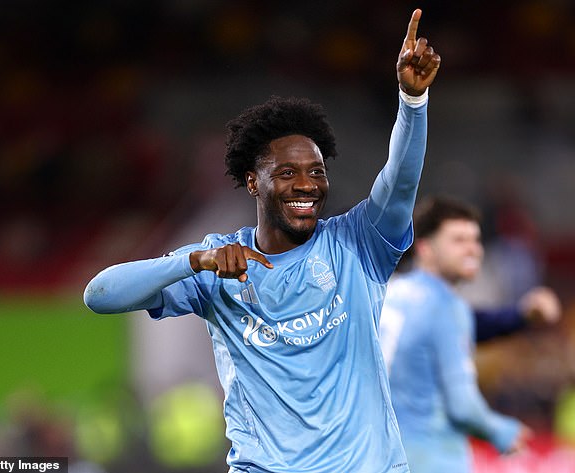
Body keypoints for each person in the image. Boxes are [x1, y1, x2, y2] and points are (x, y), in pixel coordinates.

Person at [84, 9, 440, 473]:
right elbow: (100, 296)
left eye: (317, 172)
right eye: (287, 173)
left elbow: (401, 182)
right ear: (254, 182)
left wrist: (412, 102)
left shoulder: (358, 243)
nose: (307, 185)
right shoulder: (217, 263)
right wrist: (192, 261)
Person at [378, 195, 531, 473]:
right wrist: (502, 430)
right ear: (425, 248)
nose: (473, 250)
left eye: (475, 239)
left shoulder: (388, 294)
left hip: (382, 457)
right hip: (434, 457)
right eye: (458, 240)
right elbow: (462, 405)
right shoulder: (445, 305)